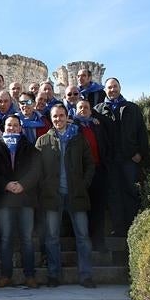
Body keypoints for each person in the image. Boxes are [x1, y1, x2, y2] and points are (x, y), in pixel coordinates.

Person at [35, 104, 96, 288]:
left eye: (61, 115)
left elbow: (90, 164)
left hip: (75, 194)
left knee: (83, 237)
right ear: (51, 118)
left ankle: (86, 276)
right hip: (53, 195)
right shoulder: (43, 141)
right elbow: (36, 170)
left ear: (67, 117)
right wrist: (44, 187)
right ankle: (54, 275)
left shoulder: (78, 139)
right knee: (52, 237)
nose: (58, 119)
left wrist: (83, 185)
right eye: (55, 116)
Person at [94, 78, 148, 237]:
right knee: (113, 194)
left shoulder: (132, 108)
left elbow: (142, 133)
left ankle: (134, 229)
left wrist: (140, 153)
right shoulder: (98, 109)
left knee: (131, 191)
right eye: (109, 87)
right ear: (105, 90)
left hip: (129, 159)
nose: (112, 90)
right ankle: (118, 229)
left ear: (120, 87)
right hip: (109, 161)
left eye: (114, 87)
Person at [0, 115, 40, 289]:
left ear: (20, 128)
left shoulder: (29, 147)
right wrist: (6, 184)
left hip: (25, 198)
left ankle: (30, 276)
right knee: (6, 239)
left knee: (27, 239)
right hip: (5, 200)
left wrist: (23, 184)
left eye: (15, 125)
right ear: (4, 128)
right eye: (9, 125)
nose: (12, 128)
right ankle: (6, 275)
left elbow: (36, 170)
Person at [74, 99, 110, 251]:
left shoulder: (97, 125)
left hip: (98, 170)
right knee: (82, 207)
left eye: (86, 107)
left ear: (91, 110)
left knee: (98, 206)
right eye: (80, 107)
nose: (83, 110)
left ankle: (98, 241)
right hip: (81, 172)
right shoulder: (73, 127)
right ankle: (83, 241)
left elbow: (105, 145)